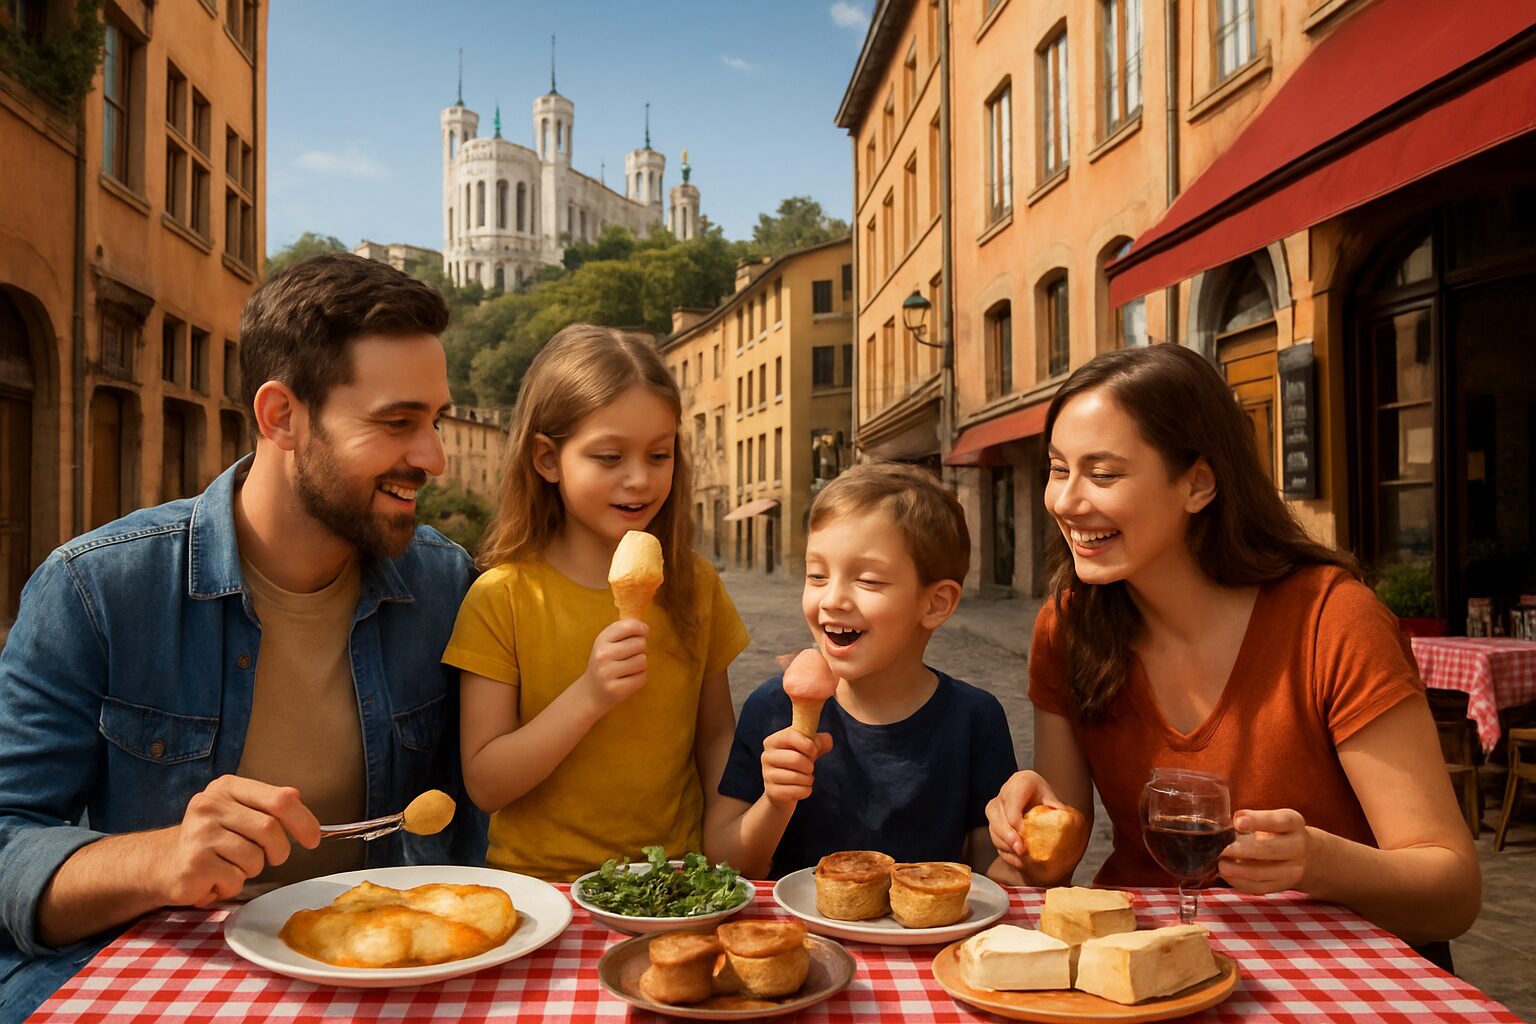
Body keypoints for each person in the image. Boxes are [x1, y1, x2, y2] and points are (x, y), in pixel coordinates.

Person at [0, 254, 486, 1021]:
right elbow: (5, 843)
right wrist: (161, 859)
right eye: (398, 423)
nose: (432, 456)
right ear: (281, 416)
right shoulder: (97, 589)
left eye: (435, 421)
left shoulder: (445, 585)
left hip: (390, 973)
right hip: (159, 973)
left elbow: (491, 809)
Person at [985, 343, 1480, 956]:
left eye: (1103, 473)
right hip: (1156, 967)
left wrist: (1316, 861)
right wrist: (1024, 832)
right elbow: (1056, 856)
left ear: (1198, 483)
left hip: (1332, 973)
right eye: (1059, 469)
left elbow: (1453, 893)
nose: (1065, 500)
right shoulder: (1066, 627)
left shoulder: (1333, 620)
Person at [444, 324, 750, 882]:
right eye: (609, 457)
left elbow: (715, 739)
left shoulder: (694, 586)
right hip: (543, 888)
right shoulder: (503, 597)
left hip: (676, 879)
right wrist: (589, 695)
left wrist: (735, 840)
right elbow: (486, 783)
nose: (639, 479)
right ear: (547, 459)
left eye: (660, 454)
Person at [709, 462, 1019, 881]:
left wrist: (1032, 851)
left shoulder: (975, 719)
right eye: (816, 575)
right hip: (801, 939)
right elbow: (721, 862)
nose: (832, 599)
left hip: (924, 942)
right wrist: (776, 802)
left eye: (868, 581)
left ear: (935, 603)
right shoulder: (772, 709)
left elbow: (991, 876)